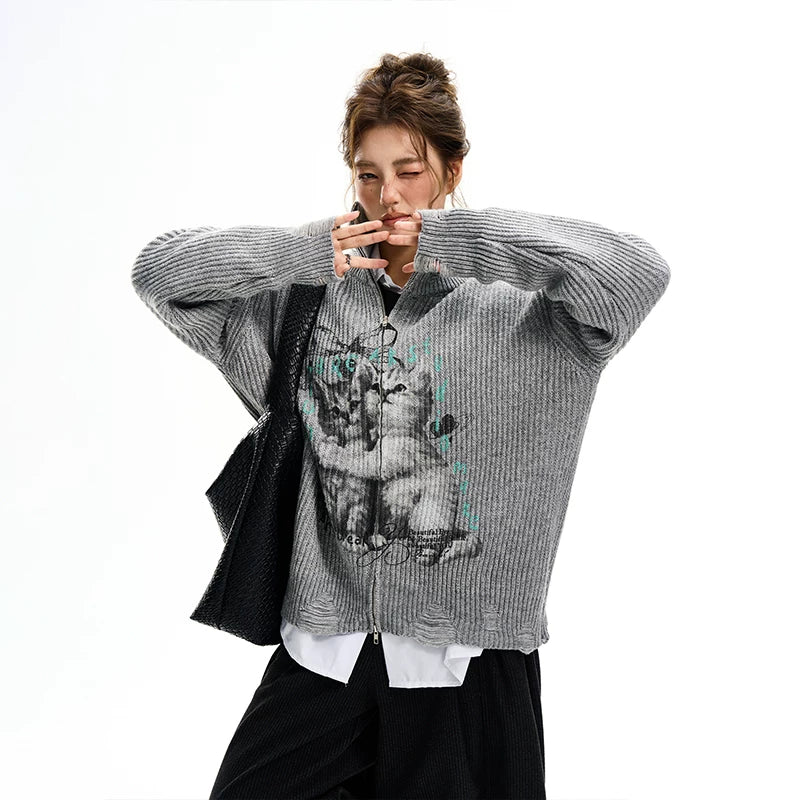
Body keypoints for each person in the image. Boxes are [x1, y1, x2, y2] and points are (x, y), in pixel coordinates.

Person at [131, 52, 670, 800]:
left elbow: (636, 273)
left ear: (452, 171)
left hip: (467, 666)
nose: (387, 196)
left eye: (409, 171)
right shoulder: (309, 306)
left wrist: (450, 242)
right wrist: (300, 252)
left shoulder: (533, 321)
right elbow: (159, 274)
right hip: (324, 660)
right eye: (367, 173)